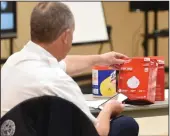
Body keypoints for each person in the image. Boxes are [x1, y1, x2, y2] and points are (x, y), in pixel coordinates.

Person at [1, 2, 139, 136]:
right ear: (66, 36)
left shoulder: (14, 61)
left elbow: (64, 63)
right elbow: (97, 132)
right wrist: (109, 108)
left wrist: (102, 59)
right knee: (126, 124)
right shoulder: (58, 81)